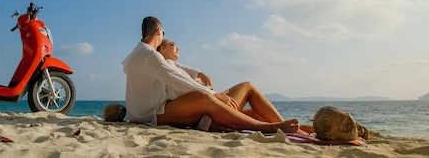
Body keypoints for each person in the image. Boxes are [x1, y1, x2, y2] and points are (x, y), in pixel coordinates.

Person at [122, 16, 304, 133]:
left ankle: (296, 128)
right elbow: (175, 80)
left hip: (146, 114)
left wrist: (200, 76)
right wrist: (214, 94)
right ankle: (270, 127)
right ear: (159, 32)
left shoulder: (137, 55)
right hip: (153, 115)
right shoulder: (150, 55)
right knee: (205, 96)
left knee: (251, 111)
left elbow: (177, 69)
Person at [157, 38, 312, 133]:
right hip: (209, 117)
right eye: (172, 44)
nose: (177, 47)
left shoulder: (174, 67)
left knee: (257, 114)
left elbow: (190, 86)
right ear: (162, 49)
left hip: (208, 114)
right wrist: (214, 95)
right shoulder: (166, 68)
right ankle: (292, 129)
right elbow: (183, 93)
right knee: (247, 86)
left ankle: (300, 128)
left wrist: (210, 89)